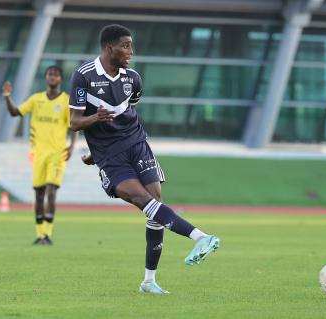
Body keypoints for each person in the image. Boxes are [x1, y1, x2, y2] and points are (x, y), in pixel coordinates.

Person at [69, 24, 220, 294]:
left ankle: (149, 281)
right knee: (142, 200)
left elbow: (128, 110)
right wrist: (95, 121)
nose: (130, 51)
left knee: (155, 203)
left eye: (131, 45)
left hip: (136, 143)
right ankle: (200, 237)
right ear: (109, 48)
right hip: (111, 155)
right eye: (125, 46)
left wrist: (95, 146)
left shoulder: (133, 79)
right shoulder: (84, 76)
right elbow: (75, 122)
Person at [2, 65, 77, 245]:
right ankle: (39, 234)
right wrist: (7, 97)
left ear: (60, 79)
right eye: (50, 74)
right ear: (46, 77)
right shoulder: (36, 100)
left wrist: (72, 146)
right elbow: (15, 113)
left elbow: (73, 125)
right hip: (38, 153)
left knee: (52, 191)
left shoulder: (66, 101)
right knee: (38, 194)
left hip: (57, 154)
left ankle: (48, 235)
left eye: (56, 75)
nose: (53, 77)